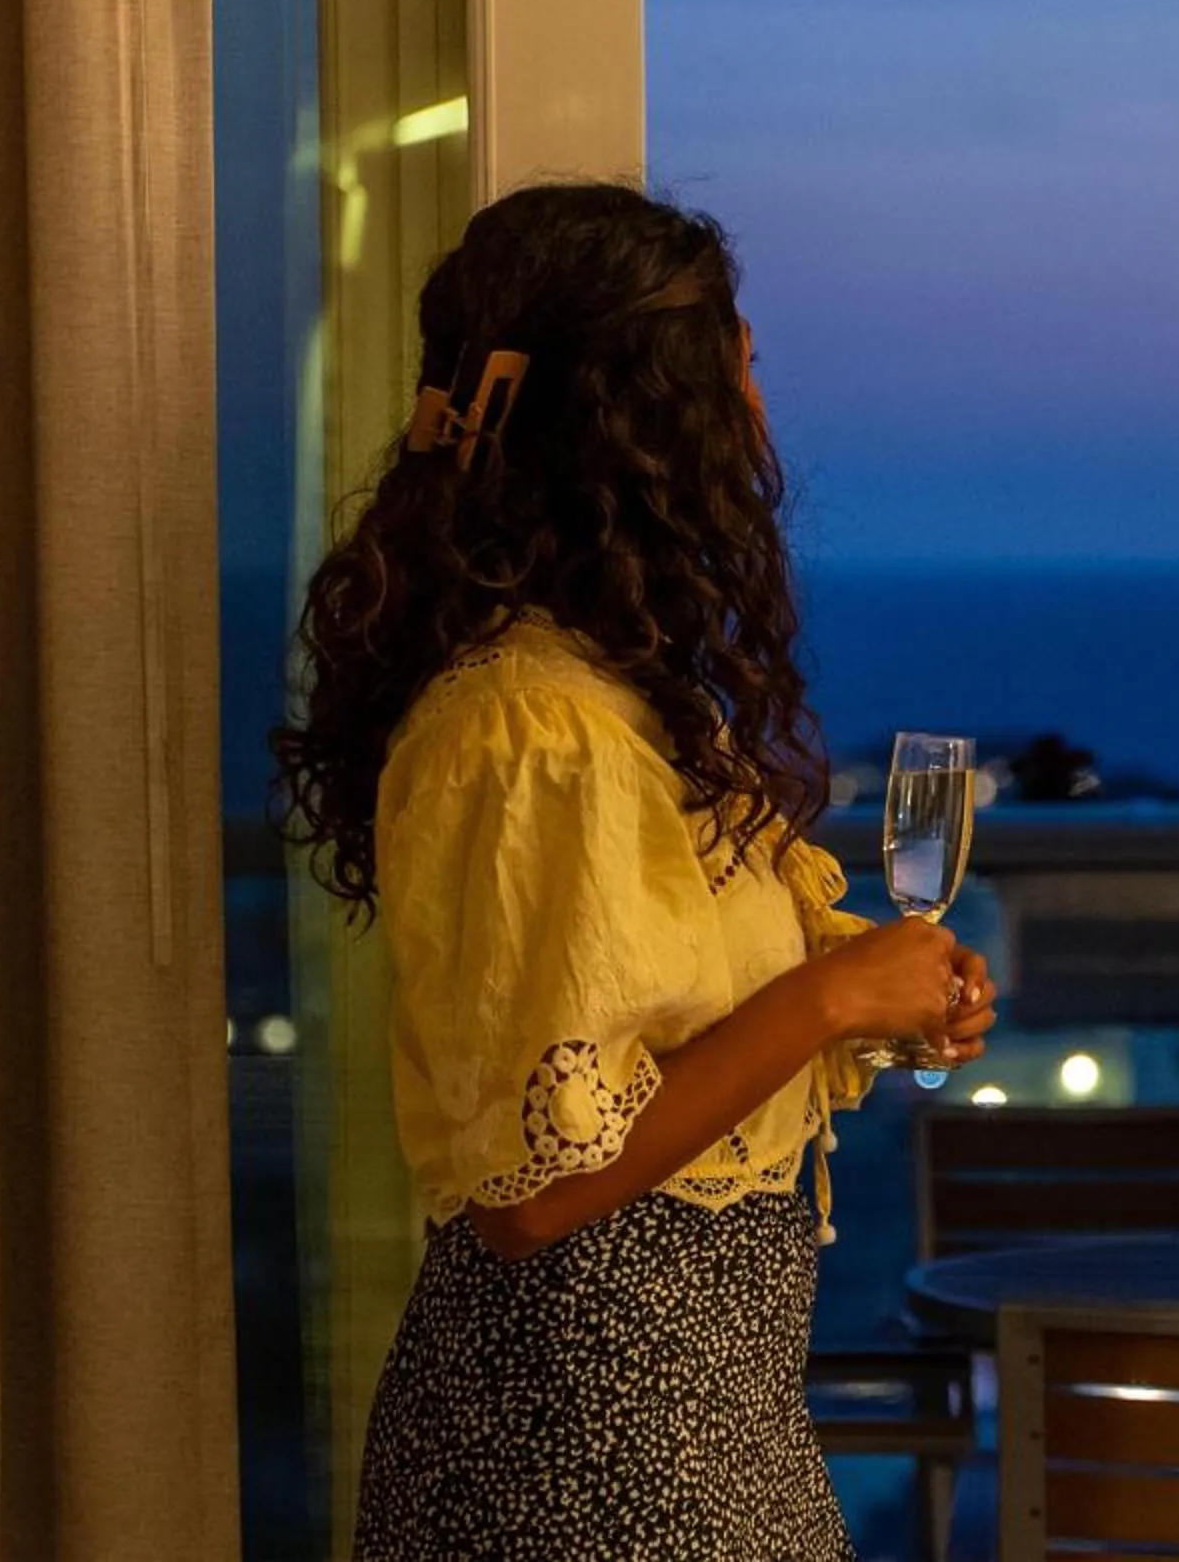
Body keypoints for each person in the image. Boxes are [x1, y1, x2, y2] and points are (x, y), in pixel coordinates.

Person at [274, 182, 994, 1560]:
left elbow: (668, 1038)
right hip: (583, 1438)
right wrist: (832, 1001)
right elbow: (535, 1192)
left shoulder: (615, 701)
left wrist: (878, 1000)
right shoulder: (530, 730)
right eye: (740, 372)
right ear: (649, 426)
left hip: (690, 1417)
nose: (763, 417)